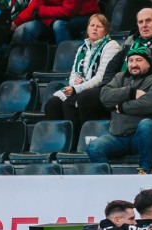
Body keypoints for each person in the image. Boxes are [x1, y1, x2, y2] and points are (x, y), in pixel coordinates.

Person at [89, 45, 152, 174]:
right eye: (131, 60)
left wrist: (122, 106)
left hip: (145, 137)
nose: (134, 64)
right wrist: (131, 93)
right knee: (94, 147)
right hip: (119, 137)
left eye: (139, 60)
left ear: (148, 63)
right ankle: (105, 181)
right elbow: (105, 96)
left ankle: (144, 171)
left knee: (146, 124)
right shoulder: (120, 77)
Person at [44, 13, 120, 147]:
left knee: (74, 102)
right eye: (92, 25)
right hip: (81, 88)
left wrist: (76, 88)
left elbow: (102, 77)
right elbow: (73, 75)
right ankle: (57, 145)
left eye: (99, 26)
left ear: (106, 30)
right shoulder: (82, 48)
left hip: (103, 89)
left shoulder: (111, 46)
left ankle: (77, 144)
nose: (94, 29)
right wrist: (74, 83)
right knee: (52, 104)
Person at [101, 7, 152, 85]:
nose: (144, 25)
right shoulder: (130, 40)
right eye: (140, 22)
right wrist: (106, 85)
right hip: (118, 87)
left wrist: (127, 90)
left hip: (144, 90)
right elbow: (113, 65)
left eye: (148, 21)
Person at [10, 0, 99, 44]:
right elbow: (34, 7)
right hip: (58, 17)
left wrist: (41, 12)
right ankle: (30, 68)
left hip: (85, 18)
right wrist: (15, 23)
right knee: (28, 27)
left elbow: (69, 11)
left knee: (59, 25)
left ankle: (65, 64)